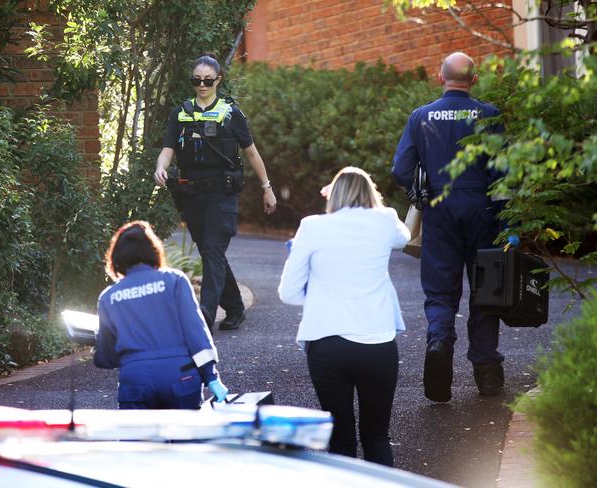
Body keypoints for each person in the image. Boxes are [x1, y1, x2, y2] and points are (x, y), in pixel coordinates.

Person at [392, 52, 506, 403]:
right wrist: (507, 223)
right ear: (474, 80)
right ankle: (486, 369)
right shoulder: (489, 116)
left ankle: (439, 343)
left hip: (439, 210)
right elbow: (503, 174)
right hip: (482, 210)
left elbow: (400, 169)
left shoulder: (421, 117)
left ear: (439, 78)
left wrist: (422, 188)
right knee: (487, 289)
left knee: (441, 290)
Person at [278, 166, 410, 467]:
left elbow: (288, 292)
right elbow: (405, 236)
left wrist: (321, 299)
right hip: (378, 343)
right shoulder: (385, 220)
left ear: (332, 194)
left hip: (327, 343)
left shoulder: (312, 226)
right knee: (377, 436)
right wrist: (373, 201)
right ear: (370, 194)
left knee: (340, 437)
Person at [154, 54, 277, 331]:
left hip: (223, 194)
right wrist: (160, 168)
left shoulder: (231, 114)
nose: (201, 85)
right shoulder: (181, 113)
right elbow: (167, 150)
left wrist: (267, 188)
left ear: (218, 80)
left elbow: (252, 154)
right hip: (192, 195)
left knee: (212, 249)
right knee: (212, 253)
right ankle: (234, 307)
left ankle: (205, 316)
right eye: (196, 80)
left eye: (207, 80)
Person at [93, 221, 228, 409]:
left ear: (117, 257)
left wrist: (97, 345)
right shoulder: (175, 281)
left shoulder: (109, 298)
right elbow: (196, 333)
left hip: (136, 381)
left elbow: (107, 357)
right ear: (152, 250)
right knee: (186, 437)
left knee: (140, 439)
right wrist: (211, 377)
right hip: (181, 376)